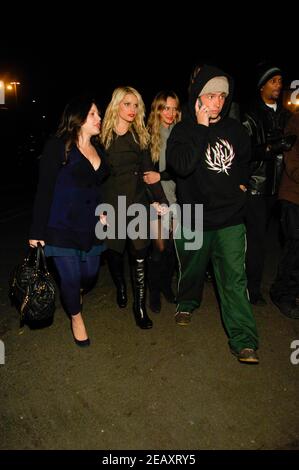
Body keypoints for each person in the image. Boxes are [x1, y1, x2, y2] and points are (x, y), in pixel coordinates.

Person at [166, 64, 259, 364]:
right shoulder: (182, 130)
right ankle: (187, 301)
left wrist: (243, 188)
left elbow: (246, 159)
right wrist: (202, 129)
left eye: (222, 96)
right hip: (194, 217)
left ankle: (244, 340)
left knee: (234, 279)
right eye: (211, 96)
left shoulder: (234, 129)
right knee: (191, 269)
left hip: (230, 218)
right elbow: (181, 166)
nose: (217, 102)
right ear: (198, 98)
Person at [29, 95, 109, 347]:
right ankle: (76, 316)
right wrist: (36, 229)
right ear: (78, 117)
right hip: (61, 226)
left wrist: (103, 211)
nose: (100, 118)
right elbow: (44, 189)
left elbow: (97, 187)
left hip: (92, 226)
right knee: (71, 279)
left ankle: (75, 295)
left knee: (90, 274)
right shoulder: (58, 146)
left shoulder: (100, 150)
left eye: (99, 114)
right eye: (94, 113)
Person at [101, 86, 168, 329]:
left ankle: (138, 307)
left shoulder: (141, 137)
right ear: (116, 105)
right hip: (111, 203)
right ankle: (120, 285)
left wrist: (160, 201)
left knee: (140, 253)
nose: (132, 109)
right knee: (115, 253)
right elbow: (94, 176)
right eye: (127, 104)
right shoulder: (102, 136)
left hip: (138, 201)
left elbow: (149, 173)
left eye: (136, 105)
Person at [242, 62, 295, 305]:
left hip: (281, 186)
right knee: (257, 240)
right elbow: (244, 152)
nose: (278, 86)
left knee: (288, 238)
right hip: (257, 186)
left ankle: (285, 284)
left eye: (281, 82)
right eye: (274, 81)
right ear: (262, 86)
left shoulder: (286, 115)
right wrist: (272, 147)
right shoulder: (251, 115)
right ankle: (252, 288)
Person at [145, 90, 181, 313]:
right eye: (165, 108)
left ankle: (166, 286)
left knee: (171, 249)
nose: (170, 113)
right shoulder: (148, 136)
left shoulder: (181, 134)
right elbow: (145, 173)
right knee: (158, 247)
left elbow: (185, 169)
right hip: (157, 199)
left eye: (174, 108)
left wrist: (163, 175)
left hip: (178, 196)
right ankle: (154, 291)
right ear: (157, 109)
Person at [270, 113, 299, 319]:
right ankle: (283, 294)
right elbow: (291, 160)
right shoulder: (296, 121)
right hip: (293, 197)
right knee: (295, 248)